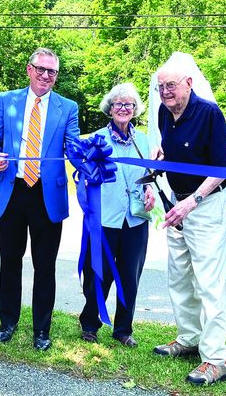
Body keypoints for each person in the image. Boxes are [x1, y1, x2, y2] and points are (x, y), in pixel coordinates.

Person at [0, 47, 80, 351]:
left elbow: (74, 147)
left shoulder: (68, 107)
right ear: (29, 69)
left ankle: (42, 330)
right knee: (10, 261)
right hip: (12, 191)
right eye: (41, 69)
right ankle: (7, 322)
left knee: (45, 265)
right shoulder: (6, 100)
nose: (46, 76)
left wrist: (92, 159)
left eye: (52, 71)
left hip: (47, 196)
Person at [151, 58, 226, 385]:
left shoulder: (210, 113)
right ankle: (188, 338)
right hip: (176, 205)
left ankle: (216, 358)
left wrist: (192, 202)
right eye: (161, 87)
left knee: (209, 284)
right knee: (179, 277)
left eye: (172, 85)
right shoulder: (163, 113)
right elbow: (173, 154)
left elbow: (221, 169)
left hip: (206, 206)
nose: (166, 92)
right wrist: (160, 162)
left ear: (188, 83)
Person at [79, 83, 155, 347]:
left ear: (135, 110)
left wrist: (150, 190)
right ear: (110, 108)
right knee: (98, 274)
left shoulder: (144, 140)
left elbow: (148, 175)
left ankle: (124, 329)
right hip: (104, 217)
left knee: (130, 276)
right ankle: (89, 323)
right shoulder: (96, 139)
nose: (123, 108)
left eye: (129, 104)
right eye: (118, 104)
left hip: (134, 219)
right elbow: (84, 175)